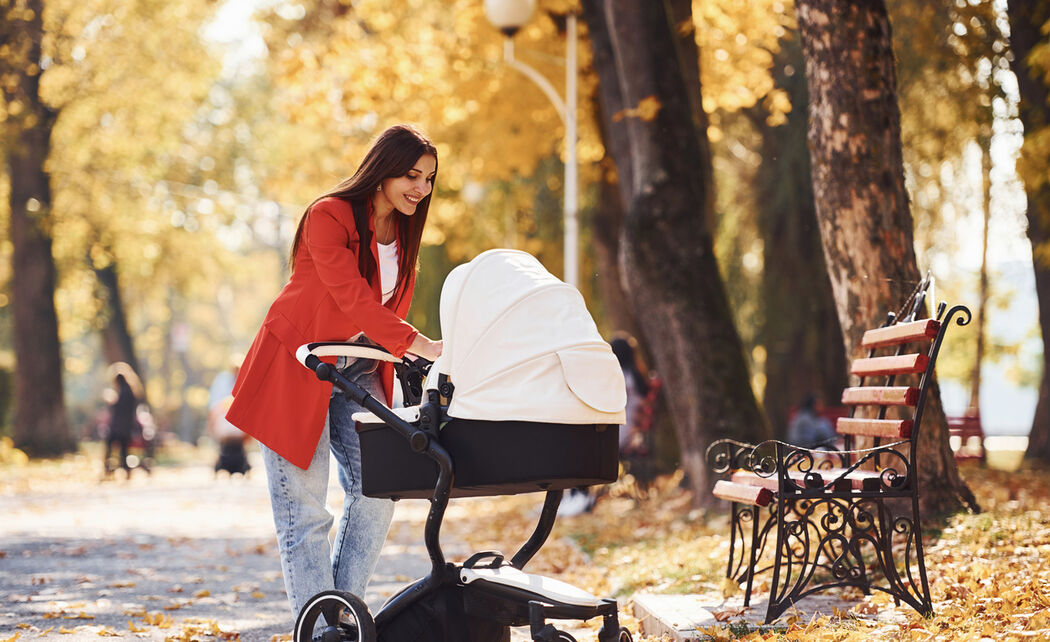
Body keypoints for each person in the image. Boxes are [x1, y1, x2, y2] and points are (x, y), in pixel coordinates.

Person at [225, 124, 443, 622]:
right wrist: (419, 344)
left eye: (429, 179)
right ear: (383, 169)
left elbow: (380, 309)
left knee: (380, 489)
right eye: (412, 176)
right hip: (296, 366)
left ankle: (340, 621)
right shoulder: (329, 214)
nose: (421, 189)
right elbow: (351, 296)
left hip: (360, 370)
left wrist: (412, 353)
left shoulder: (404, 233)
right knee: (304, 512)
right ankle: (320, 631)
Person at [208, 356, 251, 476]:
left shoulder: (246, 380)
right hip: (224, 417)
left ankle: (236, 463)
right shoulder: (222, 380)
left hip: (238, 420)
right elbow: (215, 403)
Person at [103, 364, 143, 479]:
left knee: (112, 447)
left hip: (119, 426)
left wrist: (112, 401)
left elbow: (120, 407)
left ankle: (108, 470)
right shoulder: (130, 389)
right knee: (123, 450)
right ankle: (124, 471)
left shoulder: (125, 391)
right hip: (126, 426)